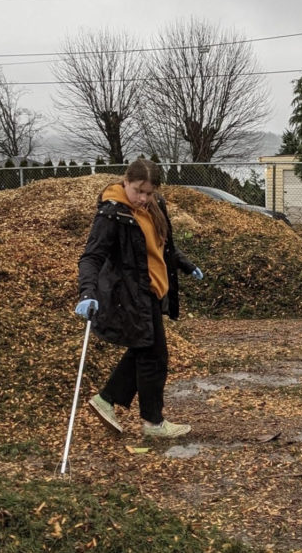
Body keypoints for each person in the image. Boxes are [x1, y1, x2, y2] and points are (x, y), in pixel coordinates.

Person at [75, 158, 203, 438]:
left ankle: (107, 399)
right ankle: (153, 423)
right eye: (138, 190)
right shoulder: (112, 214)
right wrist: (87, 292)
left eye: (149, 192)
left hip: (153, 292)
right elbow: (91, 257)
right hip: (130, 296)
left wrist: (185, 264)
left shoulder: (154, 208)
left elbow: (163, 247)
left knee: (143, 351)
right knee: (154, 356)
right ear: (125, 182)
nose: (143, 198)